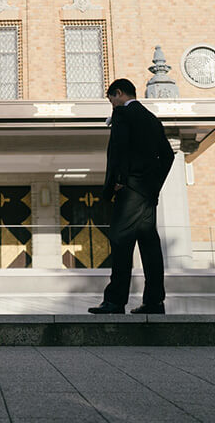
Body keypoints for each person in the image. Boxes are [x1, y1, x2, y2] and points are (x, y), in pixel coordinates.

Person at [88, 78, 175, 315]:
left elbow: (117, 152)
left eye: (111, 99)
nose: (112, 105)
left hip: (129, 192)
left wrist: (118, 182)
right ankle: (154, 302)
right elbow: (168, 156)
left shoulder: (123, 116)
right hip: (147, 194)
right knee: (149, 245)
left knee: (120, 240)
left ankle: (115, 301)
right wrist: (154, 185)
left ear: (118, 93)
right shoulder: (152, 119)